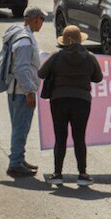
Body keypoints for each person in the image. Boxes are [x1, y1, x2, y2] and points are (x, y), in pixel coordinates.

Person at [39, 24, 103, 186]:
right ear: (80, 40)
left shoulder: (57, 56)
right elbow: (98, 78)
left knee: (60, 138)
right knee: (79, 137)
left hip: (59, 100)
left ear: (65, 41)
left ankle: (57, 174)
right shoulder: (89, 57)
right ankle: (82, 174)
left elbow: (41, 73)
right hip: (82, 101)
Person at [3, 7, 46, 178]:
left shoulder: (20, 34)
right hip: (21, 92)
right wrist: (29, 91)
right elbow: (21, 69)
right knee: (21, 128)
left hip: (16, 90)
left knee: (19, 127)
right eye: (42, 19)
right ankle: (15, 164)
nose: (42, 23)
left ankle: (19, 159)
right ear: (35, 19)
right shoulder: (25, 41)